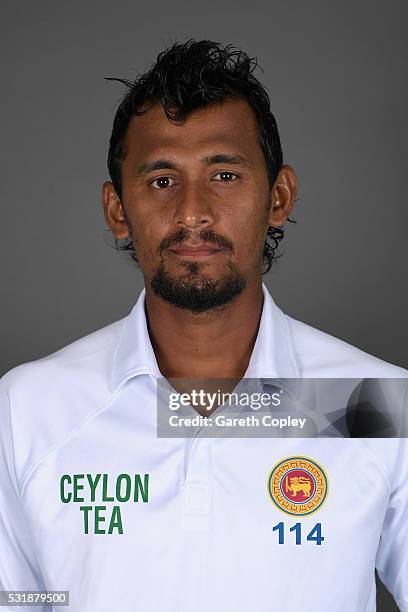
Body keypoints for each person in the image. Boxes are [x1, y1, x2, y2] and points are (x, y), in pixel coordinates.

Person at [0, 39, 407, 612]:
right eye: (161, 181)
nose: (193, 212)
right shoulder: (28, 408)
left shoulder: (379, 400)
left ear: (279, 197)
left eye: (224, 175)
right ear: (118, 210)